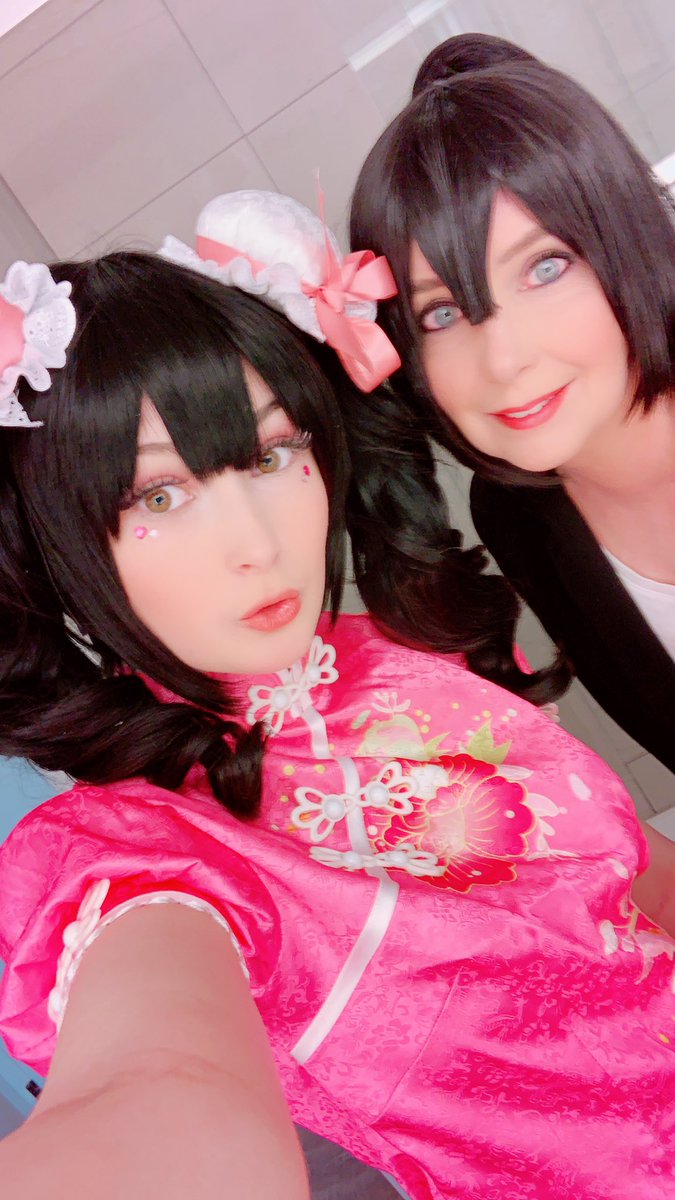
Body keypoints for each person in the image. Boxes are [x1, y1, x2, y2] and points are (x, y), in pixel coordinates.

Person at [0, 191, 673, 1200]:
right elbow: (158, 1088)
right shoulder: (137, 850)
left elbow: (639, 882)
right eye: (159, 496)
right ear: (59, 550)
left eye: (271, 454)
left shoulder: (402, 654)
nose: (257, 542)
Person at [350, 33, 675, 774]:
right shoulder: (516, 515)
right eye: (441, 313)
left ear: (625, 235)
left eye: (544, 268)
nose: (503, 360)